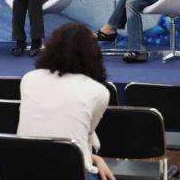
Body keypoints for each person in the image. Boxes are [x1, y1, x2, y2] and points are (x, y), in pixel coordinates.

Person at [18, 23, 115, 180]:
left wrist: (94, 159)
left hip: (26, 169)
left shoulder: (29, 79)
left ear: (50, 48)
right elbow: (84, 135)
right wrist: (94, 159)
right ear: (92, 54)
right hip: (71, 170)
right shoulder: (98, 92)